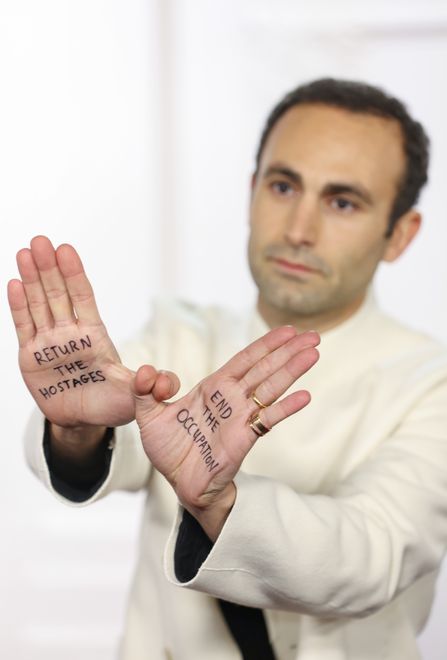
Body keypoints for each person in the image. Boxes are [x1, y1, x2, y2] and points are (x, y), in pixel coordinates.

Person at [8, 78, 447, 660]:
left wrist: (219, 504)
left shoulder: (431, 382)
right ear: (251, 192)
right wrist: (77, 428)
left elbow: (373, 556)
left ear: (400, 234)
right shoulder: (179, 336)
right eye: (283, 186)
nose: (298, 229)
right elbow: (108, 439)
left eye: (343, 202)